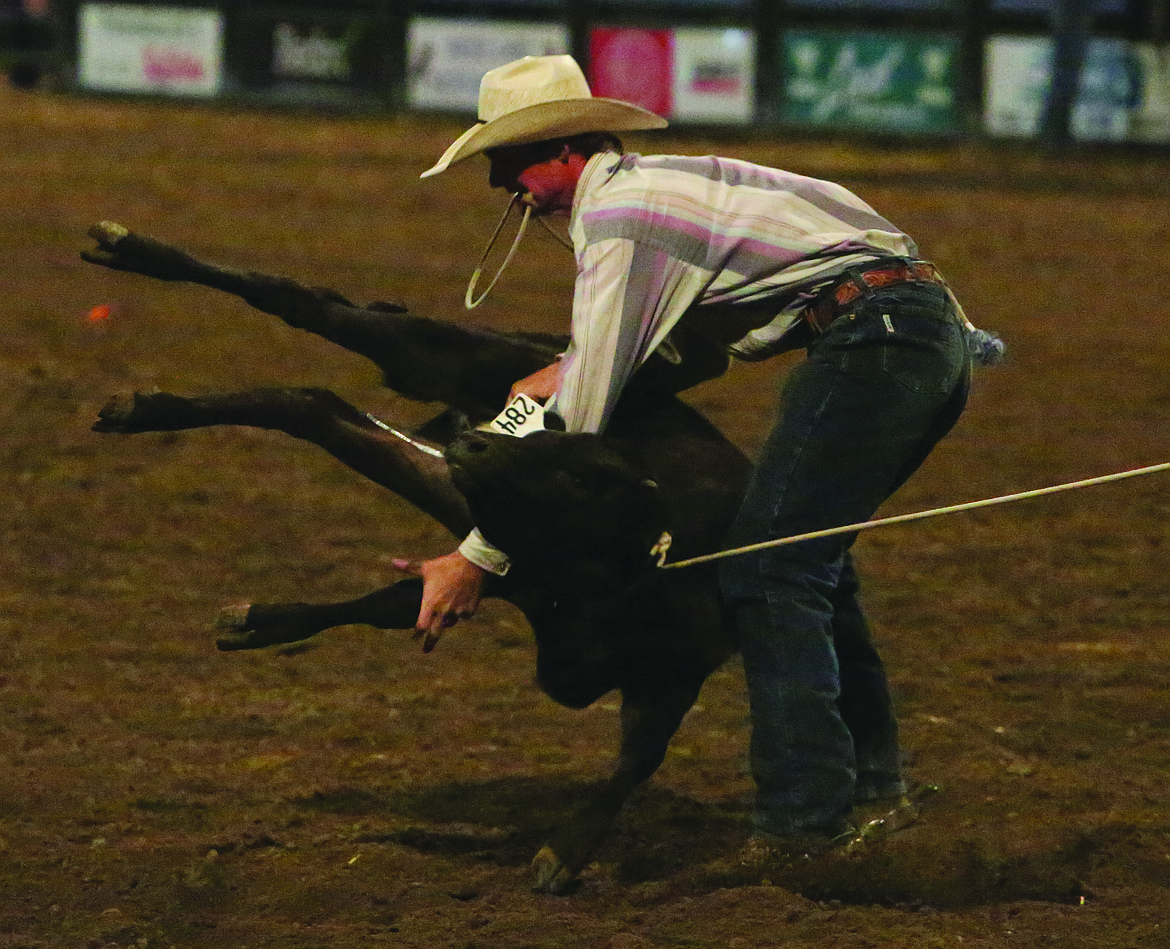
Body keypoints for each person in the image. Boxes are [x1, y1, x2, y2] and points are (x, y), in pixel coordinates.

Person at [405, 54, 994, 850]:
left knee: (769, 566)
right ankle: (870, 785)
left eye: (507, 162)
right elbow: (699, 352)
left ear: (566, 151)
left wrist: (478, 555)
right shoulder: (663, 187)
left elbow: (579, 421)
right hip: (918, 333)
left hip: (878, 338)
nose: (497, 184)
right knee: (803, 560)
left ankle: (804, 821)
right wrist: (577, 365)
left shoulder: (619, 222)